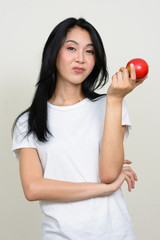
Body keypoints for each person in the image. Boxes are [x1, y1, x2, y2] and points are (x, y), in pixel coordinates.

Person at [12, 17, 146, 240]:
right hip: (59, 235)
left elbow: (109, 174)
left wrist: (114, 100)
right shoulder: (28, 121)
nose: (81, 59)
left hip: (115, 233)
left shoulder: (110, 105)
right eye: (71, 48)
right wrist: (104, 189)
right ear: (54, 53)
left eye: (90, 51)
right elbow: (33, 188)